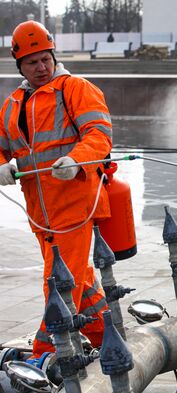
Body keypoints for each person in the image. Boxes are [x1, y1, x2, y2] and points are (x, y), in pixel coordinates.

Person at [0, 21, 112, 357]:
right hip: (41, 214)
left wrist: (77, 160)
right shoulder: (12, 105)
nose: (41, 66)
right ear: (20, 65)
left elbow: (100, 135)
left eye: (45, 58)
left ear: (53, 55)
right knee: (79, 279)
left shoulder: (75, 89)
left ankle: (46, 355)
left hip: (76, 205)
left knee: (61, 282)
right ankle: (106, 333)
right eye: (32, 61)